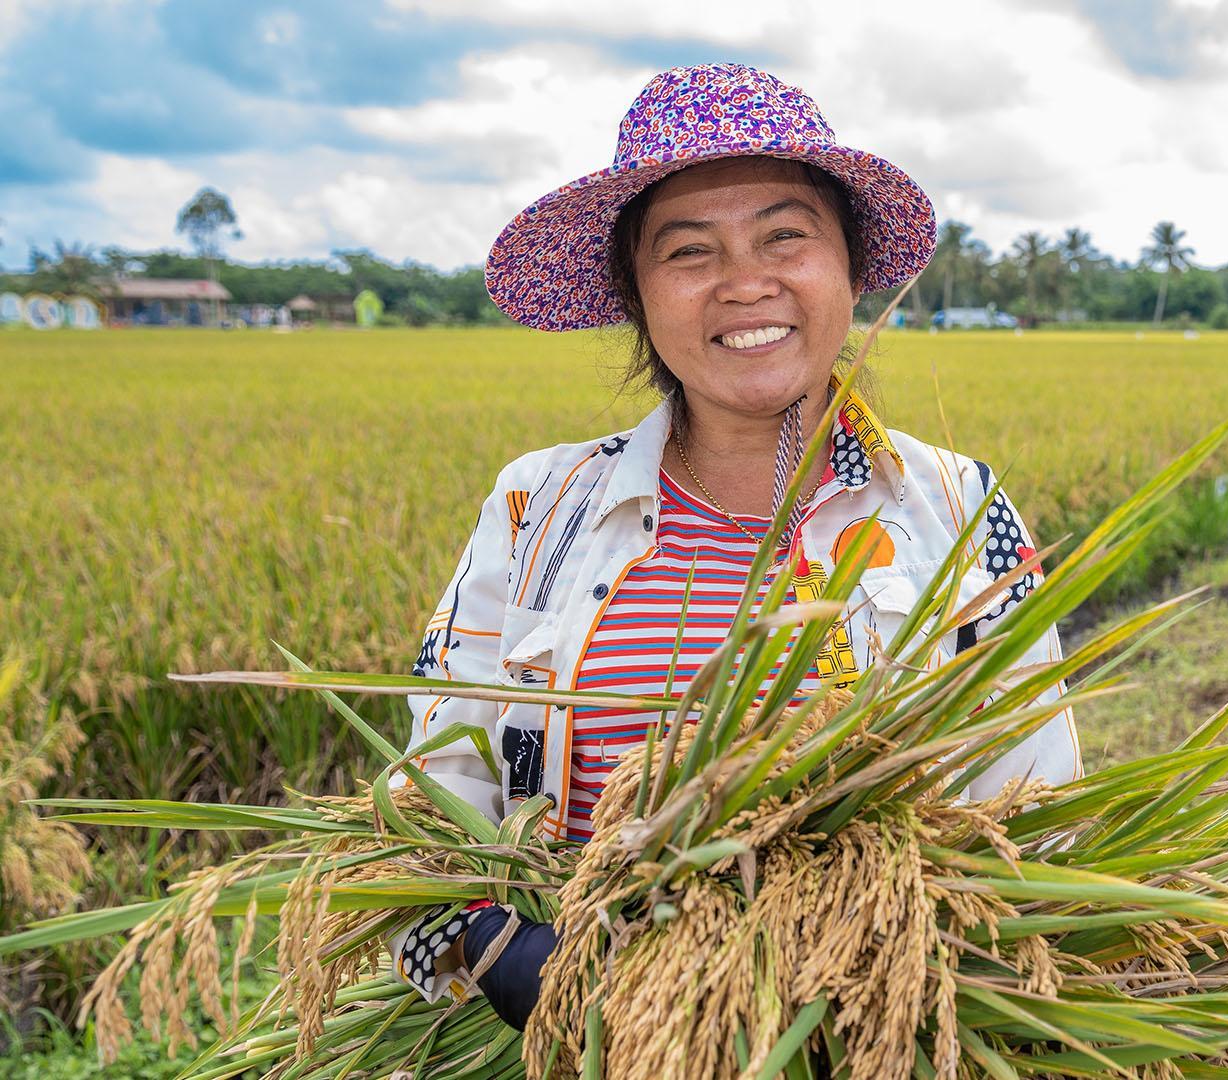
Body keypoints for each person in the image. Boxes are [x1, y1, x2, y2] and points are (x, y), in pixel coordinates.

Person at [387, 63, 1081, 1029]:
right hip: (580, 1039)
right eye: (688, 251)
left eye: (785, 236)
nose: (746, 283)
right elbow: (424, 809)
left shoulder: (959, 508)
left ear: (848, 267)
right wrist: (496, 951)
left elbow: (1040, 814)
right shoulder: (534, 510)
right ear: (638, 294)